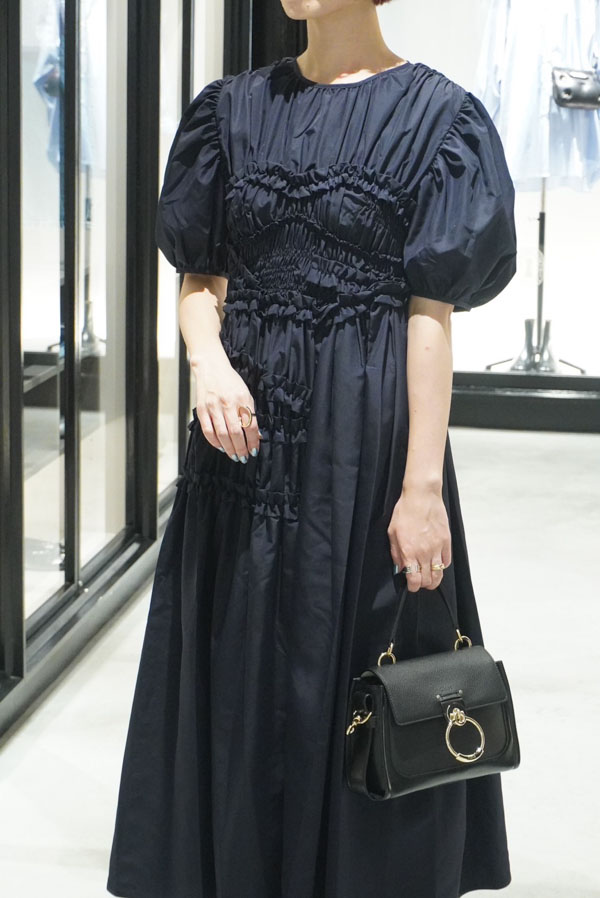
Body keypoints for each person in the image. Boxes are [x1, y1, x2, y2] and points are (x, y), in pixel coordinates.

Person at [106, 1, 518, 896]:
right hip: (243, 447)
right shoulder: (231, 110)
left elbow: (430, 317)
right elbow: (200, 275)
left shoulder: (440, 119)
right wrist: (207, 362)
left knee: (361, 673)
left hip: (363, 445)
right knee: (240, 668)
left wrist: (421, 489)